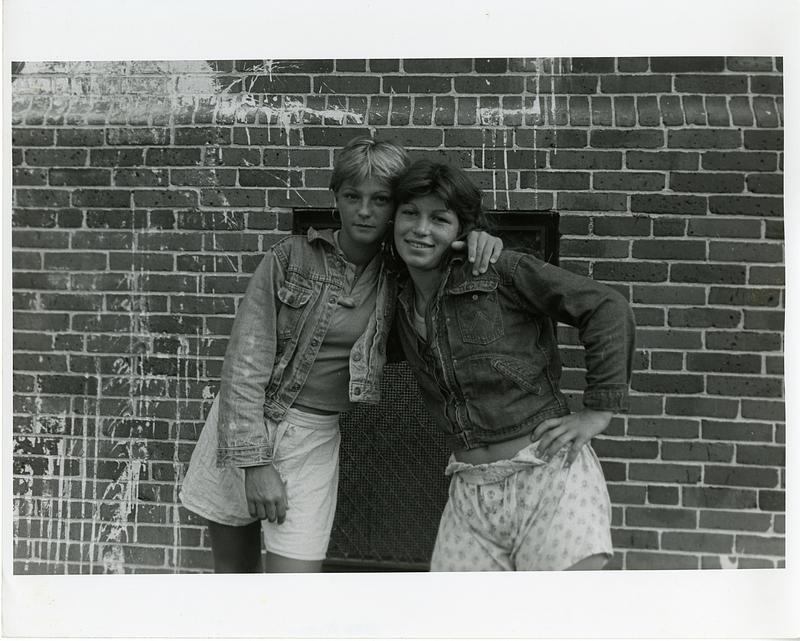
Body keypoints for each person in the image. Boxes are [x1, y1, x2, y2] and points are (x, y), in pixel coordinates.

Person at [179, 138, 503, 573]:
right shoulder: (289, 259)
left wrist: (477, 237)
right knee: (235, 584)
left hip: (313, 439)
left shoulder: (401, 272)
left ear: (396, 206)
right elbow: (243, 367)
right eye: (352, 196)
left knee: (291, 593)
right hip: (242, 427)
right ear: (336, 200)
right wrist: (254, 463)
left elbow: (444, 247)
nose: (365, 211)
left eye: (380, 199)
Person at [390, 159, 636, 571]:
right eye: (410, 213)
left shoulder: (499, 270)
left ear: (461, 229)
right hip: (471, 493)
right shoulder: (394, 298)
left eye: (439, 218)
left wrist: (598, 412)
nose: (420, 229)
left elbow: (606, 307)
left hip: (547, 478)